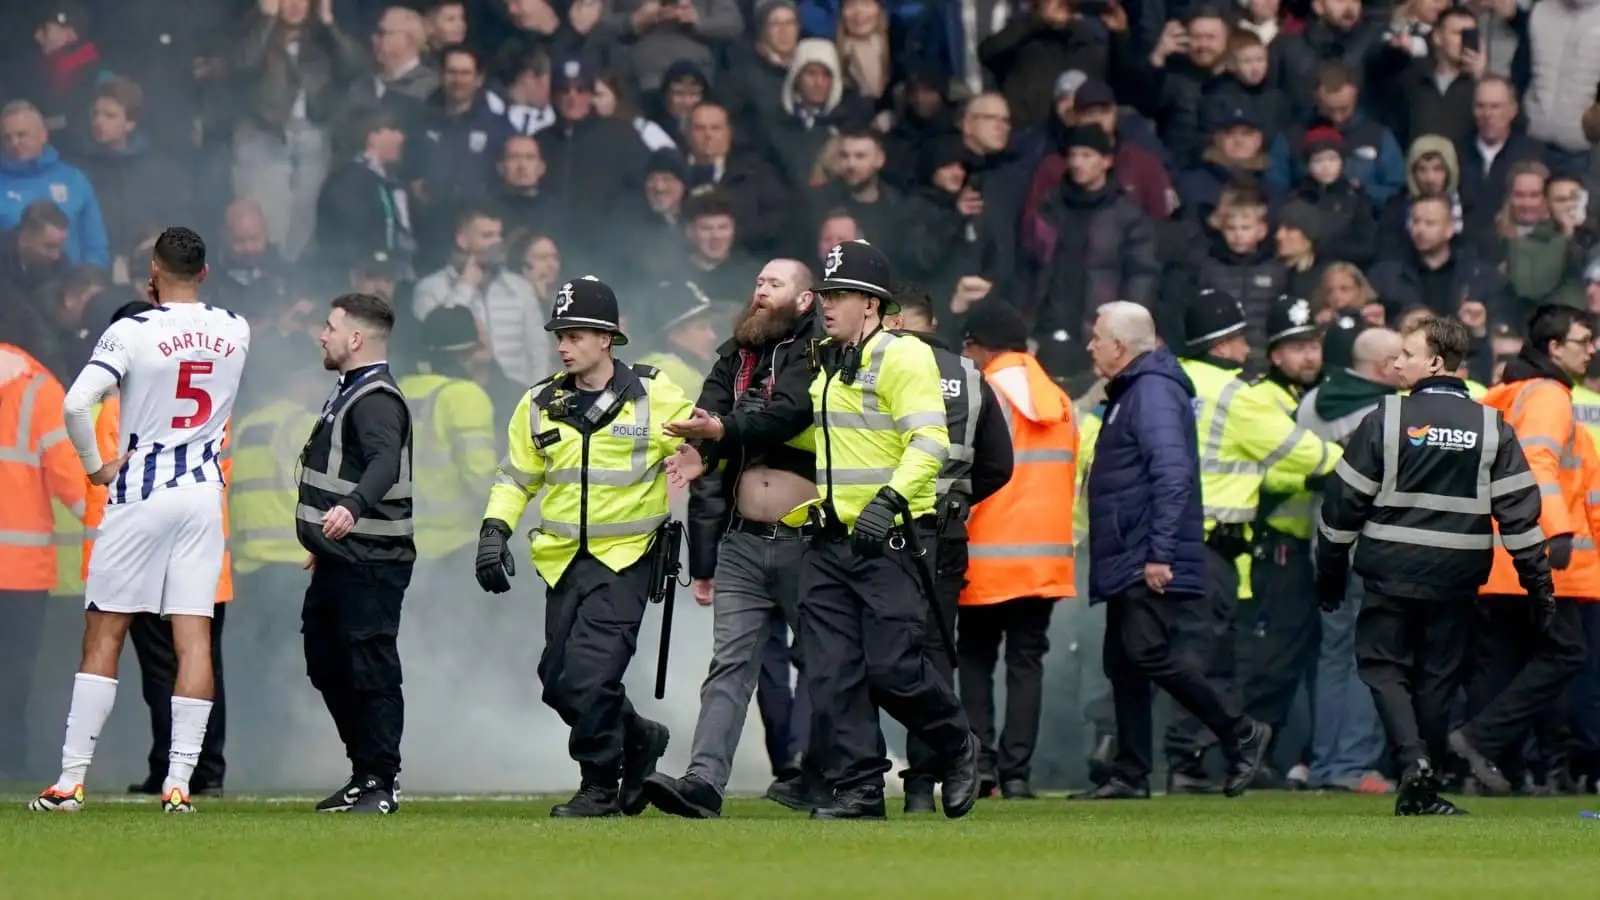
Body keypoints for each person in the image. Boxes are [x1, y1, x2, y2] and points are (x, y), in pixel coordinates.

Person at [671, 240, 981, 820]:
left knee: (892, 668)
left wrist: (888, 500)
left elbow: (930, 442)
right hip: (827, 538)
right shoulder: (829, 364)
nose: (829, 305)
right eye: (829, 294)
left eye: (840, 296)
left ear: (871, 305)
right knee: (832, 672)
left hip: (889, 537)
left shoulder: (903, 357)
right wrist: (710, 451)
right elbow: (791, 425)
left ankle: (957, 743)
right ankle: (861, 788)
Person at [33, 227, 250, 814]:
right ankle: (180, 784)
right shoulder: (236, 327)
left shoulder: (131, 330)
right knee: (194, 637)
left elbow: (77, 402)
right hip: (203, 495)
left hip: (141, 492)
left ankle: (70, 782)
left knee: (105, 630)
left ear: (153, 271)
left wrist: (97, 467)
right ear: (204, 272)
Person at [1316, 315, 1556, 816]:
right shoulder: (1492, 426)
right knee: (1438, 677)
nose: (1396, 362)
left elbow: (1343, 503)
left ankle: (1413, 762)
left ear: (1435, 362)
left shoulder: (1386, 417)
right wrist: (1539, 584)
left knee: (1383, 666)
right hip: (1458, 575)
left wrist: (1330, 567)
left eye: (1406, 354)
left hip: (1390, 569)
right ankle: (1425, 784)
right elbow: (1520, 513)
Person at [475, 276, 691, 818]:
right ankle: (638, 735)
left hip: (629, 560)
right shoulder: (537, 403)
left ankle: (599, 785)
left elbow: (699, 440)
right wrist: (493, 530)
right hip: (563, 562)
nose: (564, 345)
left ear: (608, 337)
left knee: (590, 676)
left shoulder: (654, 391)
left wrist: (698, 457)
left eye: (575, 334)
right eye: (560, 335)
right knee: (557, 682)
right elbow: (515, 478)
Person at [644, 259, 832, 819]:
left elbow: (786, 413)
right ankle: (703, 782)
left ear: (804, 301)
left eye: (775, 285)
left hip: (810, 540)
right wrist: (703, 452)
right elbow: (710, 413)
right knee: (729, 665)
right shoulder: (734, 354)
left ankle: (829, 776)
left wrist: (721, 434)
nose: (761, 292)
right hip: (744, 542)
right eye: (758, 282)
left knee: (827, 663)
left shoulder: (820, 354)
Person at [1071, 300, 1272, 801]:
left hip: (1144, 550)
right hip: (1128, 548)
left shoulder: (1153, 392)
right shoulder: (1133, 390)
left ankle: (1240, 730)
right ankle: (1131, 773)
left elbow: (1174, 476)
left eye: (1097, 337)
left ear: (1120, 346)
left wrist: (1159, 554)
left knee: (1147, 652)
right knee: (1122, 660)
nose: (1090, 345)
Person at [1166, 291, 1338, 793]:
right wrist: (1356, 462)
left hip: (1181, 539)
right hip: (1234, 545)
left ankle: (1191, 756)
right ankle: (1205, 756)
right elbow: (1296, 458)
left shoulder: (1172, 379)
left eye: (1314, 344)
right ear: (1225, 344)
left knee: (1172, 653)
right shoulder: (1242, 396)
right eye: (1242, 338)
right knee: (1222, 658)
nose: (1247, 348)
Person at [79, 300, 233, 799]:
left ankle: (174, 768)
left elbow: (105, 478)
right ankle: (196, 769)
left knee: (160, 667)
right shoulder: (212, 400)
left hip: (143, 551)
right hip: (206, 549)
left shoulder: (119, 409)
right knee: (199, 656)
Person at [883, 285, 1014, 811]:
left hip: (883, 525)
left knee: (880, 653)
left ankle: (855, 777)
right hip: (946, 531)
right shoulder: (972, 375)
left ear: (889, 320)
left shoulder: (879, 366)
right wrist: (958, 497)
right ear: (934, 321)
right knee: (934, 654)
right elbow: (999, 465)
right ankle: (921, 785)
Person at [1458, 306, 1596, 794]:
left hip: (1491, 553)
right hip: (1532, 548)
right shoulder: (1549, 396)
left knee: (1500, 660)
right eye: (1584, 340)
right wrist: (1554, 534)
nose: (1593, 348)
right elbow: (1538, 466)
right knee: (1565, 652)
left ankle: (1489, 767)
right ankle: (1479, 741)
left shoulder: (1503, 396)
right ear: (1555, 348)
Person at [297, 293, 416, 816]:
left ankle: (380, 781)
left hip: (371, 560)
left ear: (356, 339)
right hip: (342, 557)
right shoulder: (350, 392)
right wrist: (323, 543)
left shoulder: (375, 399)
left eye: (329, 326)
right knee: (326, 661)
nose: (321, 335)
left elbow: (384, 462)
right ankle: (363, 771)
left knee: (369, 664)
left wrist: (350, 508)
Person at [952, 299, 1073, 802]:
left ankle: (980, 767)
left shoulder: (984, 392)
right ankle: (1018, 772)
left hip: (987, 555)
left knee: (976, 660)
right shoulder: (1061, 401)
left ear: (979, 346)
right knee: (1027, 664)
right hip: (1044, 559)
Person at [0, 340, 84, 782]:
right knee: (12, 676)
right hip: (19, 571)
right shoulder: (39, 393)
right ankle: (8, 764)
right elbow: (75, 486)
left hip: (21, 569)